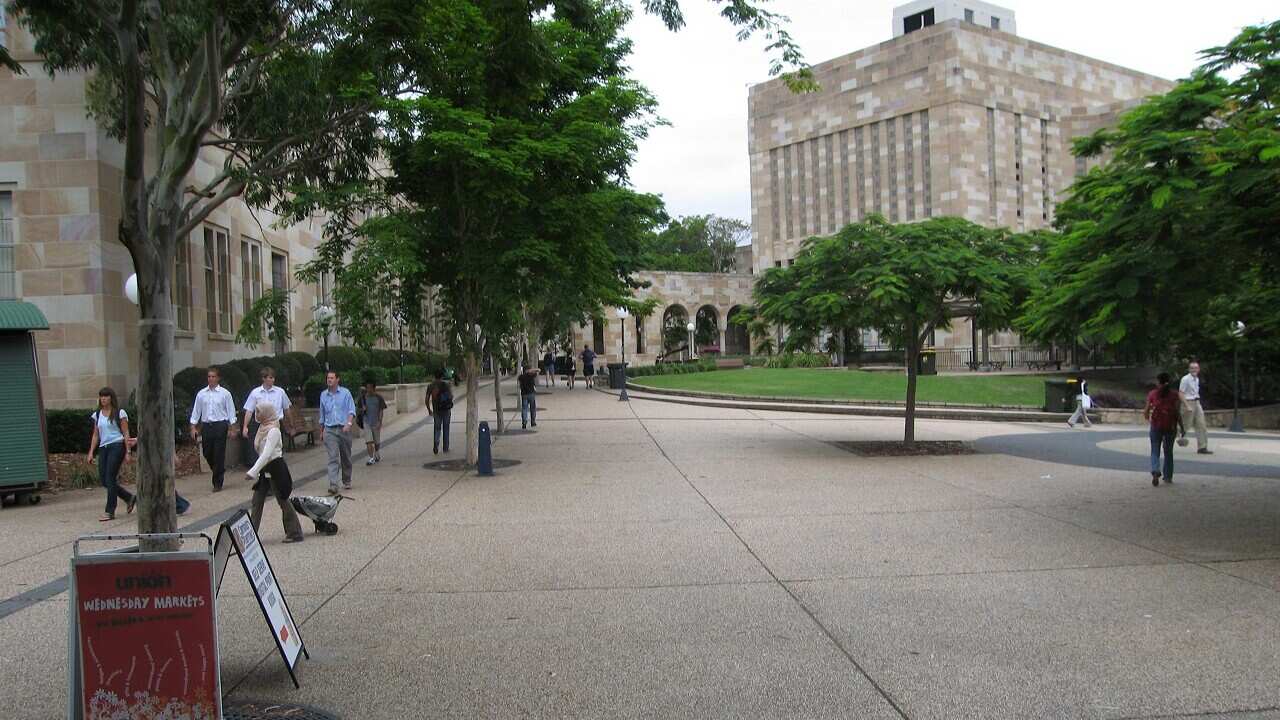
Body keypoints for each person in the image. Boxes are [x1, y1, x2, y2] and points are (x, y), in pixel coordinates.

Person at [244, 404, 305, 543]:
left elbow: (267, 454)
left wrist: (252, 471)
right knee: (257, 501)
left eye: (260, 412)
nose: (257, 415)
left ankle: (295, 532)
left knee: (283, 500)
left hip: (276, 468)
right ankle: (251, 535)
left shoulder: (274, 431)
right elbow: (260, 451)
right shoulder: (262, 428)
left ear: (267, 413)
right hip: (265, 471)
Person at [87, 387, 135, 521]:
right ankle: (129, 497)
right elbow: (96, 435)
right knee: (104, 480)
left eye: (106, 396)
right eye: (101, 396)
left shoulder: (119, 413)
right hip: (104, 447)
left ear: (111, 398)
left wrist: (128, 451)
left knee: (110, 477)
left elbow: (125, 432)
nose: (103, 399)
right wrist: (91, 452)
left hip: (117, 445)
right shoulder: (97, 414)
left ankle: (110, 511)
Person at [189, 366, 236, 491]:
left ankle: (217, 483)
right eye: (209, 376)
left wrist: (232, 428)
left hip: (220, 425)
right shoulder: (201, 394)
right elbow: (196, 411)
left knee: (218, 453)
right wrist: (193, 427)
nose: (211, 379)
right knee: (207, 452)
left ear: (218, 378)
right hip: (207, 426)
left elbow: (231, 411)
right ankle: (218, 469)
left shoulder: (225, 394)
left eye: (213, 376)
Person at [242, 366, 291, 468]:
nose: (272, 380)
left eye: (273, 378)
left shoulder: (280, 392)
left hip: (275, 424)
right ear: (263, 378)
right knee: (261, 449)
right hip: (261, 425)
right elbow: (249, 410)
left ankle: (275, 469)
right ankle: (262, 471)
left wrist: (290, 424)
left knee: (275, 450)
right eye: (270, 377)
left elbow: (287, 409)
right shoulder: (255, 393)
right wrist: (245, 426)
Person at [1144, 372, 1184, 487]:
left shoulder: (1153, 394)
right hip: (1170, 426)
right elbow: (1177, 412)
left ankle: (1155, 470)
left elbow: (1146, 410)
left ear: (1158, 382)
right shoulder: (1174, 395)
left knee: (1155, 450)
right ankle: (1168, 476)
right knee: (1168, 452)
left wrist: (1148, 418)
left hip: (1156, 425)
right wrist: (1181, 426)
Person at [319, 370, 356, 494]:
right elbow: (322, 414)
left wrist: (348, 423)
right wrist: (321, 431)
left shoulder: (345, 393)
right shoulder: (323, 395)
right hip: (329, 429)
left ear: (337, 379)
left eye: (332, 378)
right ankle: (333, 484)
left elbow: (351, 410)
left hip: (343, 428)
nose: (329, 380)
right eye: (328, 378)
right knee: (333, 457)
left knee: (346, 457)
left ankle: (347, 479)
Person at [1179, 361, 1211, 454]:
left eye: (1196, 368)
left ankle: (1202, 447)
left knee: (1201, 425)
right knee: (1185, 425)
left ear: (1199, 369)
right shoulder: (1185, 379)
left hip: (1197, 402)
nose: (1194, 370)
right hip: (1188, 402)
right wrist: (1187, 406)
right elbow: (1180, 393)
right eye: (1192, 368)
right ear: (1189, 369)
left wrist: (1197, 404)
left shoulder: (1197, 379)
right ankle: (1168, 438)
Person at [357, 380, 388, 465]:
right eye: (367, 388)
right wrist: (362, 409)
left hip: (376, 422)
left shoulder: (379, 397)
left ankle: (377, 452)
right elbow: (358, 410)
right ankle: (371, 458)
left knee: (377, 442)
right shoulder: (362, 399)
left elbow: (381, 410)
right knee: (368, 441)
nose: (369, 389)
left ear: (374, 388)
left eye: (370, 388)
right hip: (366, 422)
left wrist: (380, 422)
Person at [427, 369, 453, 455]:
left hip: (436, 410)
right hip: (446, 409)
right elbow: (451, 396)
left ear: (434, 376)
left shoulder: (431, 386)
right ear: (442, 376)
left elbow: (426, 399)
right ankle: (446, 447)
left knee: (437, 428)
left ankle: (436, 443)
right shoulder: (446, 384)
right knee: (446, 428)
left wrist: (429, 410)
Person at [518, 364, 538, 429]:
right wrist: (531, 370)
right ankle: (533, 422)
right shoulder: (531, 375)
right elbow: (538, 370)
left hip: (524, 394)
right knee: (533, 408)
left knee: (524, 409)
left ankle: (524, 422)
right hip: (531, 394)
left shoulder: (521, 377)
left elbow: (519, 379)